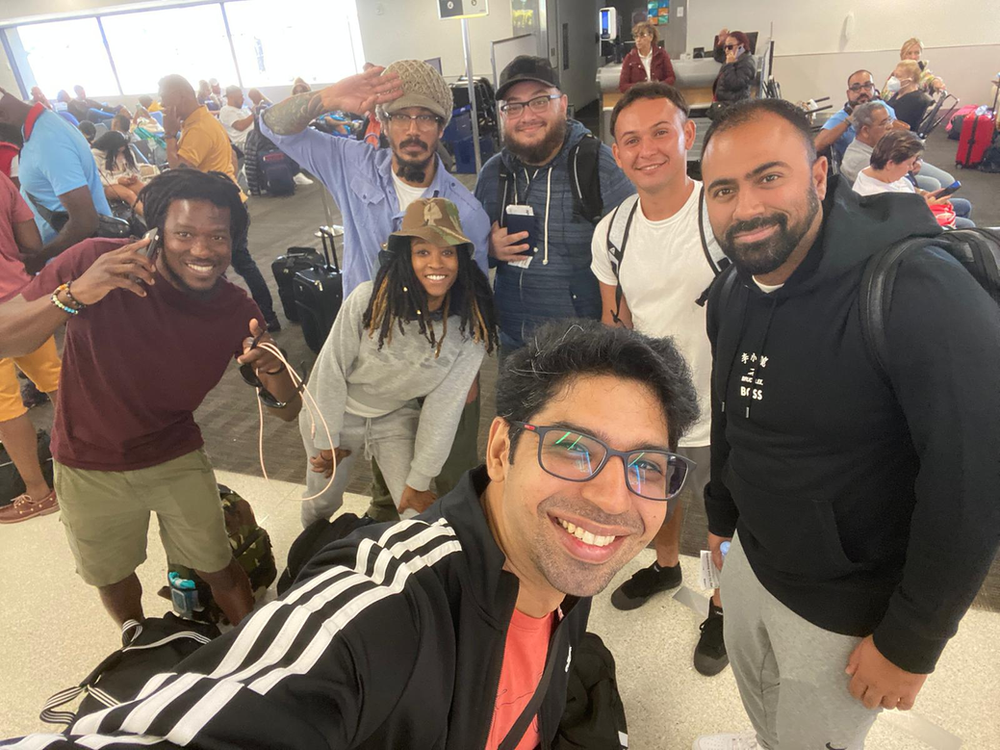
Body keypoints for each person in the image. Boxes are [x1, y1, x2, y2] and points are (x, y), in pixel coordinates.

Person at [3, 317, 700, 750]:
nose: (614, 497)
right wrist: (320, 442)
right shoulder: (381, 603)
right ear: (498, 450)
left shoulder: (560, 582)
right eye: (573, 447)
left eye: (647, 465)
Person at [693, 98, 1000, 750]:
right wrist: (720, 515)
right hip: (752, 557)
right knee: (763, 708)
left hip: (843, 606)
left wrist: (914, 640)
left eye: (768, 176)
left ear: (820, 173)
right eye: (723, 189)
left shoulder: (915, 286)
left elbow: (974, 481)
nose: (744, 208)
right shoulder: (733, 287)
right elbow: (730, 412)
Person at [0, 169, 300, 626]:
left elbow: (289, 411)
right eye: (184, 233)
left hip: (175, 455)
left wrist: (273, 367)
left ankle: (251, 649)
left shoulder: (237, 309)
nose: (201, 250)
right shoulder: (94, 261)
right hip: (85, 461)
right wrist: (77, 294)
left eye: (217, 237)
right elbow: (7, 339)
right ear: (156, 233)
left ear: (232, 242)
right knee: (113, 575)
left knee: (218, 565)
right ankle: (136, 646)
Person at [262, 61, 490, 518]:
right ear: (382, 123)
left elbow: (471, 304)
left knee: (436, 474)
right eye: (400, 116)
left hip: (430, 358)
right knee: (357, 480)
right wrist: (328, 97)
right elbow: (273, 129)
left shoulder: (467, 213)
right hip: (364, 349)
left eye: (425, 117)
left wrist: (463, 379)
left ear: (441, 127)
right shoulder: (352, 165)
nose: (412, 129)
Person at [590, 81, 728, 676]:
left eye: (660, 132)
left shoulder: (722, 212)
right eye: (630, 140)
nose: (646, 150)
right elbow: (614, 319)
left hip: (727, 406)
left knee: (727, 517)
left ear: (687, 135)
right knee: (661, 493)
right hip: (661, 403)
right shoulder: (613, 232)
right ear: (616, 153)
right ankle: (666, 563)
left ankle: (724, 608)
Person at [301, 197, 498, 526]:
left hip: (394, 416)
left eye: (447, 251)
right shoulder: (369, 300)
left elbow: (444, 408)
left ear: (462, 259)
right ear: (406, 257)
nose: (436, 263)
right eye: (423, 252)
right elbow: (329, 371)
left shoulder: (469, 328)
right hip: (335, 412)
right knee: (323, 500)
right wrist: (325, 439)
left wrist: (419, 480)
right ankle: (305, 554)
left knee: (414, 511)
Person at [475, 55, 634, 355]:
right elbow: (469, 254)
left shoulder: (598, 168)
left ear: (562, 104)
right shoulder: (493, 174)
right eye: (513, 106)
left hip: (582, 348)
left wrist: (614, 343)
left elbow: (632, 257)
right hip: (514, 343)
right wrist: (489, 249)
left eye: (538, 101)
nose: (526, 116)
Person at [159, 74, 279, 330]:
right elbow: (233, 161)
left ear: (179, 96)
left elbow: (178, 174)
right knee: (235, 263)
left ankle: (246, 319)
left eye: (163, 98)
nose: (161, 104)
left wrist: (169, 135)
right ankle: (263, 316)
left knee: (218, 266)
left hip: (217, 212)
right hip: (228, 203)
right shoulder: (203, 122)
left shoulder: (198, 128)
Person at [0, 170, 58, 525]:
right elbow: (31, 240)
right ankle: (93, 460)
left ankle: (38, 492)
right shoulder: (2, 180)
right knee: (56, 378)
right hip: (20, 295)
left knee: (5, 406)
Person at [0, 87, 112, 264]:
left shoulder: (48, 141)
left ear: (3, 115)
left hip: (80, 261)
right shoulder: (40, 129)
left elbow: (85, 221)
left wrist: (39, 258)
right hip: (69, 257)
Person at [852, 130, 974, 228]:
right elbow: (901, 228)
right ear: (891, 163)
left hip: (914, 208)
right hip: (912, 224)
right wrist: (927, 208)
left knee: (964, 205)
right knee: (968, 225)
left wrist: (921, 193)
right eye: (909, 163)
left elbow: (900, 185)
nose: (911, 168)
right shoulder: (875, 196)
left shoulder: (882, 170)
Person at [838, 101, 896, 183]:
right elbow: (888, 191)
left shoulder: (872, 147)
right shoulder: (864, 162)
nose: (890, 126)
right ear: (865, 131)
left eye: (889, 120)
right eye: (883, 123)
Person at [90, 131, 146, 210]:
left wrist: (132, 177)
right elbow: (98, 178)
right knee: (129, 195)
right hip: (108, 184)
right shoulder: (96, 155)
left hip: (125, 179)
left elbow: (135, 168)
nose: (120, 154)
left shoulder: (127, 151)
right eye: (118, 152)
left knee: (145, 191)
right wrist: (117, 181)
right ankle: (148, 218)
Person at [618, 21, 676, 92]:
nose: (638, 40)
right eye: (636, 36)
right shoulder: (630, 58)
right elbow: (623, 85)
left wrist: (657, 87)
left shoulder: (661, 54)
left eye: (642, 36)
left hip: (659, 95)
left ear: (651, 37)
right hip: (638, 97)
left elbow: (671, 77)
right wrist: (642, 88)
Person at [711, 31, 756, 112]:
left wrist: (729, 65)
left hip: (735, 107)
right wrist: (720, 43)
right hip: (726, 105)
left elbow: (735, 84)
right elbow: (718, 56)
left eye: (730, 47)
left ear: (741, 46)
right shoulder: (733, 57)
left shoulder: (747, 63)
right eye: (725, 47)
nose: (726, 50)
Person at [885, 59, 934, 132]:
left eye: (898, 76)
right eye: (894, 76)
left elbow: (899, 124)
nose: (893, 80)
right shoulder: (899, 94)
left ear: (910, 79)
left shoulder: (916, 100)